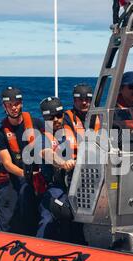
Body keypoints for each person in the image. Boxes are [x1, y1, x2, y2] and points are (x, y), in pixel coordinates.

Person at [0, 87, 44, 235]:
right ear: (4, 107)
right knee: (8, 209)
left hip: (39, 174)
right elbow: (7, 164)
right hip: (15, 177)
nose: (14, 108)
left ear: (21, 104)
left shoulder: (37, 124)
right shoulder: (0, 135)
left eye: (16, 103)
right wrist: (26, 175)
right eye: (10, 105)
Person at [36, 96, 79, 242]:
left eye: (59, 116)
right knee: (49, 218)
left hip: (76, 185)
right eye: (50, 117)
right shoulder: (42, 138)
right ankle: (40, 246)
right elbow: (47, 153)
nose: (56, 120)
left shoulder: (70, 134)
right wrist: (63, 163)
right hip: (55, 187)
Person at [63, 83, 100, 159]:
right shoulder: (67, 117)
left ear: (91, 101)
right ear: (74, 101)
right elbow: (69, 142)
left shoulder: (100, 116)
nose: (84, 103)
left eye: (87, 99)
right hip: (76, 161)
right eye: (80, 100)